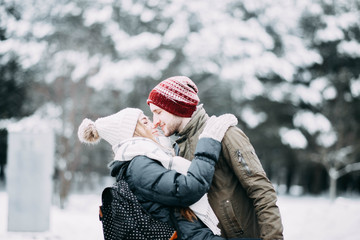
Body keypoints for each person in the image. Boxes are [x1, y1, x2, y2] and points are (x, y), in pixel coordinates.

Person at [77, 108, 248, 240]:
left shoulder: (149, 160)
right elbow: (188, 189)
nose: (154, 124)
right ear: (133, 132)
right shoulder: (139, 165)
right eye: (145, 121)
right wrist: (208, 142)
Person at [147, 76, 284, 240]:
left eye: (158, 112)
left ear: (175, 106)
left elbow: (262, 190)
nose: (155, 122)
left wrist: (272, 238)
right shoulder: (177, 148)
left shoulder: (225, 134)